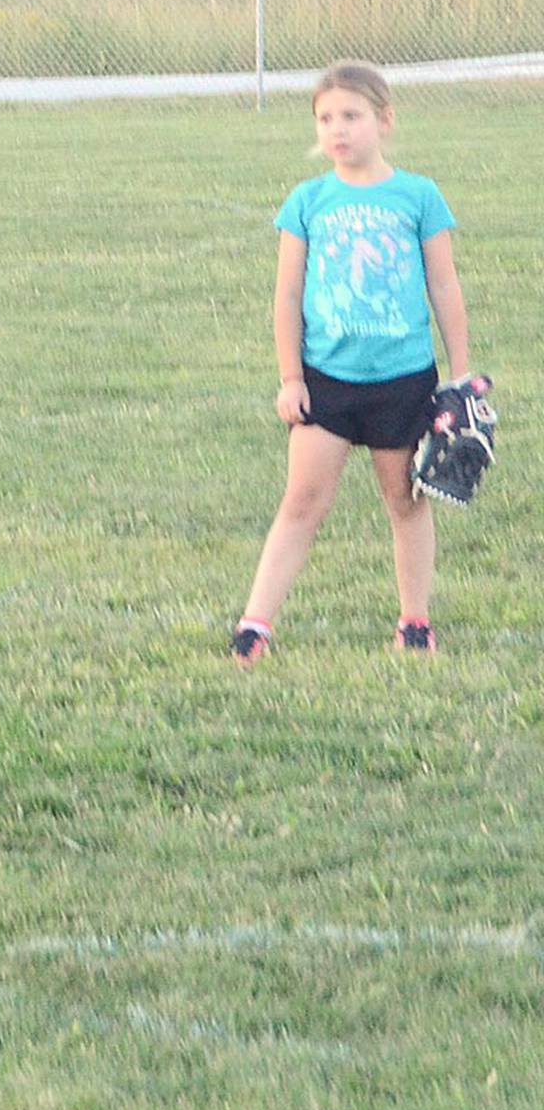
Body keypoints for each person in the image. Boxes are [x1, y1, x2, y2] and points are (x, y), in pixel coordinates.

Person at [230, 61, 472, 666]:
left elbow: (443, 286)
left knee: (405, 503)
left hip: (403, 380)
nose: (338, 129)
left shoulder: (418, 195)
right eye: (326, 118)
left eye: (352, 116)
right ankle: (256, 623)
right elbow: (287, 296)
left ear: (384, 120)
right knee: (302, 501)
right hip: (326, 382)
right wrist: (291, 377)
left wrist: (460, 372)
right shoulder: (309, 200)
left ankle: (414, 621)